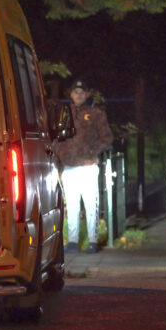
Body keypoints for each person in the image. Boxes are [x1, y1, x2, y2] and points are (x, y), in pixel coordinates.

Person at [55, 80, 113, 254]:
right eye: (75, 91)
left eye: (82, 92)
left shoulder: (96, 114)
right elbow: (56, 136)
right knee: (71, 205)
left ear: (87, 95)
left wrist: (92, 151)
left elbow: (107, 137)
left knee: (90, 204)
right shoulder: (64, 114)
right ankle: (72, 242)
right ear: (71, 95)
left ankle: (92, 242)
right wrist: (60, 153)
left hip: (88, 166)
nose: (78, 95)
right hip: (70, 166)